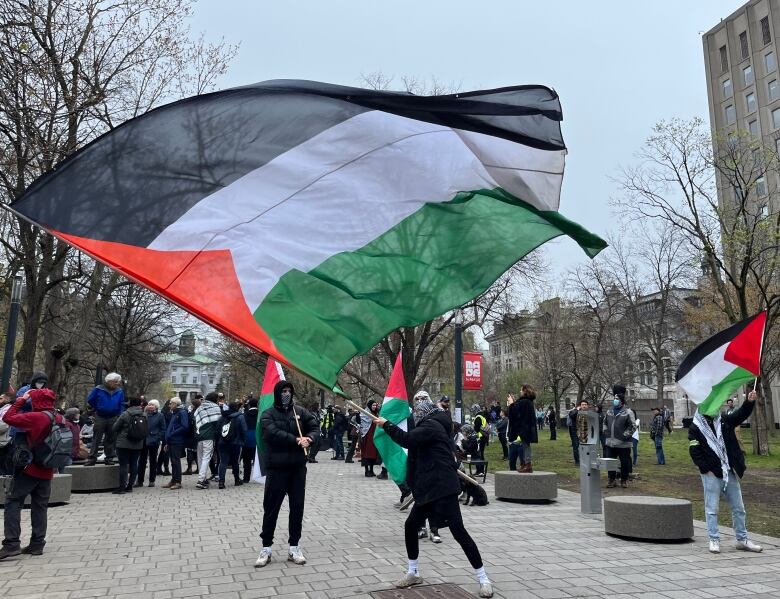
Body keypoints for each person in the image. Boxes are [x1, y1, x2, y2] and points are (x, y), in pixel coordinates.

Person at [373, 396, 493, 598]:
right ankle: (413, 572)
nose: (414, 420)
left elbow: (407, 439)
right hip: (428, 489)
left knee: (458, 531)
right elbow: (415, 450)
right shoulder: (433, 427)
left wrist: (387, 424)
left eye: (416, 417)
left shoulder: (431, 426)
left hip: (443, 488)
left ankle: (483, 579)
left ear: (423, 416)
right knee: (411, 526)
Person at [254, 380, 318, 568]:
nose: (286, 394)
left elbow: (315, 426)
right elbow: (271, 433)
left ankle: (294, 547)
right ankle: (266, 547)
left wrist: (310, 438)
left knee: (297, 508)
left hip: (297, 468)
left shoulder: (301, 412)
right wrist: (296, 440)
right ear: (277, 393)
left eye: (289, 391)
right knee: (271, 509)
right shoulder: (268, 414)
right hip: (277, 469)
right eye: (283, 391)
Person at [689, 390, 762, 554]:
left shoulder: (723, 421)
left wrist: (749, 402)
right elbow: (694, 451)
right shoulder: (696, 427)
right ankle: (714, 539)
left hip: (729, 470)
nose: (715, 408)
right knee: (712, 508)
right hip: (712, 474)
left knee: (739, 508)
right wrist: (706, 470)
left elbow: (740, 415)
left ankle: (742, 539)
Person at [0, 388, 63, 559]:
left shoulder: (37, 417)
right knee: (40, 506)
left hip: (30, 468)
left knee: (13, 501)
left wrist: (21, 400)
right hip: (48, 468)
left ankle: (11, 544)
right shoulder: (58, 417)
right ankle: (37, 544)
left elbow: (8, 418)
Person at [85, 372, 125, 466]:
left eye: (117, 382)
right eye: (115, 382)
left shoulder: (119, 391)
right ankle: (92, 458)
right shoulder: (98, 389)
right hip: (100, 416)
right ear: (109, 381)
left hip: (113, 417)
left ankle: (109, 457)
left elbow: (122, 403)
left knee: (110, 438)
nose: (117, 383)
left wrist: (120, 414)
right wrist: (97, 407)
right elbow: (90, 400)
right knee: (96, 438)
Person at [111, 397, 146, 494]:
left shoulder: (125, 414)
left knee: (123, 465)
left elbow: (115, 428)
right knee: (134, 464)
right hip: (138, 443)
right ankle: (130, 486)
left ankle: (122, 487)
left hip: (123, 443)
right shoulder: (144, 414)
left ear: (130, 404)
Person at [604, 386, 635, 488]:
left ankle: (624, 480)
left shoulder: (628, 412)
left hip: (623, 444)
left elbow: (633, 426)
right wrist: (605, 431)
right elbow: (604, 423)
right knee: (610, 462)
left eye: (617, 399)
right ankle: (611, 479)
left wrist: (624, 435)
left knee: (624, 462)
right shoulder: (609, 411)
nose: (614, 400)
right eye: (614, 399)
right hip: (610, 442)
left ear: (621, 401)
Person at [194, 392, 222, 490]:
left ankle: (203, 478)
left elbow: (195, 420)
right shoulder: (216, 408)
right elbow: (218, 423)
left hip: (198, 435)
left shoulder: (200, 407)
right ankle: (201, 480)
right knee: (206, 457)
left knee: (200, 458)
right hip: (209, 436)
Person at [507, 385, 538, 473]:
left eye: (521, 390)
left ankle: (527, 464)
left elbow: (515, 413)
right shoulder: (528, 401)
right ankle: (525, 464)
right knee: (525, 445)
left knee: (525, 446)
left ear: (525, 391)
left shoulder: (524, 402)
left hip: (524, 428)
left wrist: (511, 403)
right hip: (527, 427)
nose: (520, 392)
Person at [217, 401, 247, 488]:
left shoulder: (222, 417)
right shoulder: (240, 417)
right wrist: (243, 441)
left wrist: (219, 440)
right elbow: (244, 430)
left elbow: (217, 429)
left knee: (223, 462)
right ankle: (237, 480)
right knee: (235, 462)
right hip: (236, 443)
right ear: (237, 408)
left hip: (222, 443)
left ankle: (221, 482)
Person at [137, 399, 166, 487]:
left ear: (156, 407)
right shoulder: (143, 414)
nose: (150, 406)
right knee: (141, 461)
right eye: (149, 404)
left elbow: (163, 429)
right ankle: (139, 481)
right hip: (143, 441)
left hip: (154, 441)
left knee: (153, 461)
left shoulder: (160, 415)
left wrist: (157, 438)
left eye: (152, 405)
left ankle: (152, 480)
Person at [162, 397, 188, 490]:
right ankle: (173, 480)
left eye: (171, 403)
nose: (169, 405)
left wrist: (173, 433)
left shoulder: (182, 412)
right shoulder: (174, 413)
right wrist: (167, 441)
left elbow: (185, 426)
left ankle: (178, 482)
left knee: (176, 461)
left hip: (177, 441)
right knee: (173, 462)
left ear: (176, 404)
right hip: (171, 441)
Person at [360, 399, 381, 477]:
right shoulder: (365, 413)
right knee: (367, 453)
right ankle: (367, 470)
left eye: (375, 405)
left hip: (374, 435)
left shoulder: (376, 413)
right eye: (373, 405)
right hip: (367, 435)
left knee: (373, 454)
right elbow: (363, 424)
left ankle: (371, 470)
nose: (375, 407)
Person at [241, 397, 259, 483]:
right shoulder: (260, 414)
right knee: (258, 459)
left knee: (247, 460)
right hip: (257, 438)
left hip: (247, 438)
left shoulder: (245, 414)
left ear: (249, 405)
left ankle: (246, 478)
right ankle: (259, 477)